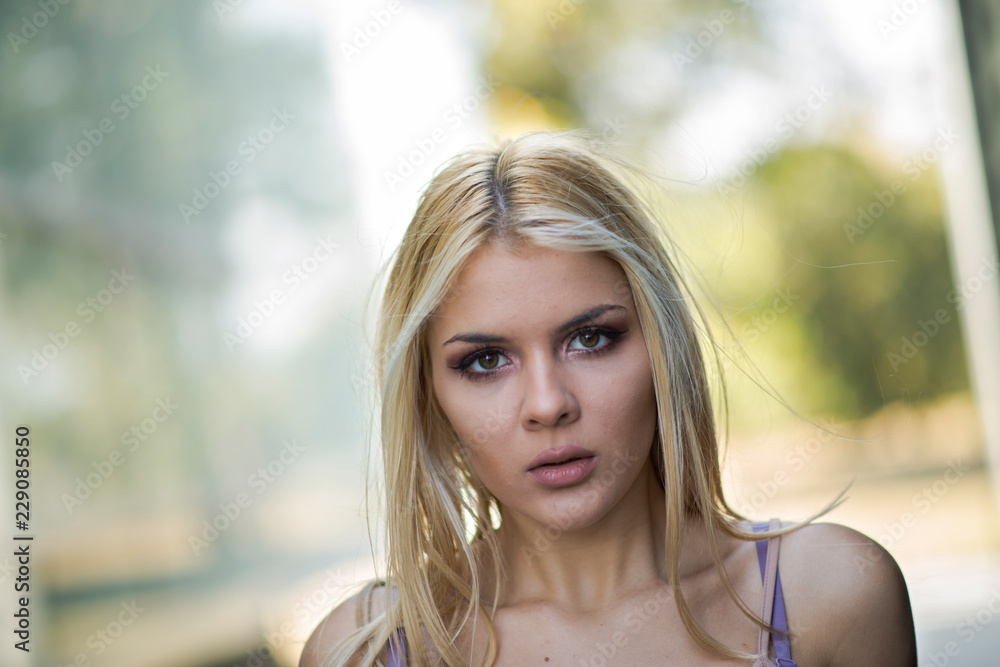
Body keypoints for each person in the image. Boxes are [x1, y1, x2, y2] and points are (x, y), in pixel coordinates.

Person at [300, 130, 916, 666]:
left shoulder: (833, 597)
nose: (547, 404)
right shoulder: (364, 652)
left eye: (590, 338)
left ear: (661, 348)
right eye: (485, 361)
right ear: (428, 395)